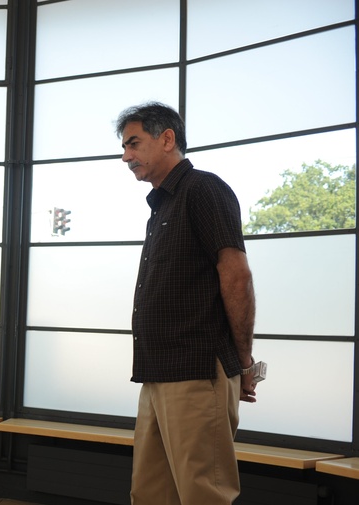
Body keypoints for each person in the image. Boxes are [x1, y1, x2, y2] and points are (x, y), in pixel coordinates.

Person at [116, 102, 258, 505]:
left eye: (133, 143)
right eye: (124, 147)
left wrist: (243, 362)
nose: (125, 156)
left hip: (197, 371)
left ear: (167, 139)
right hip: (157, 372)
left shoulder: (203, 189)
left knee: (203, 494)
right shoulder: (162, 205)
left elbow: (236, 276)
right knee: (149, 492)